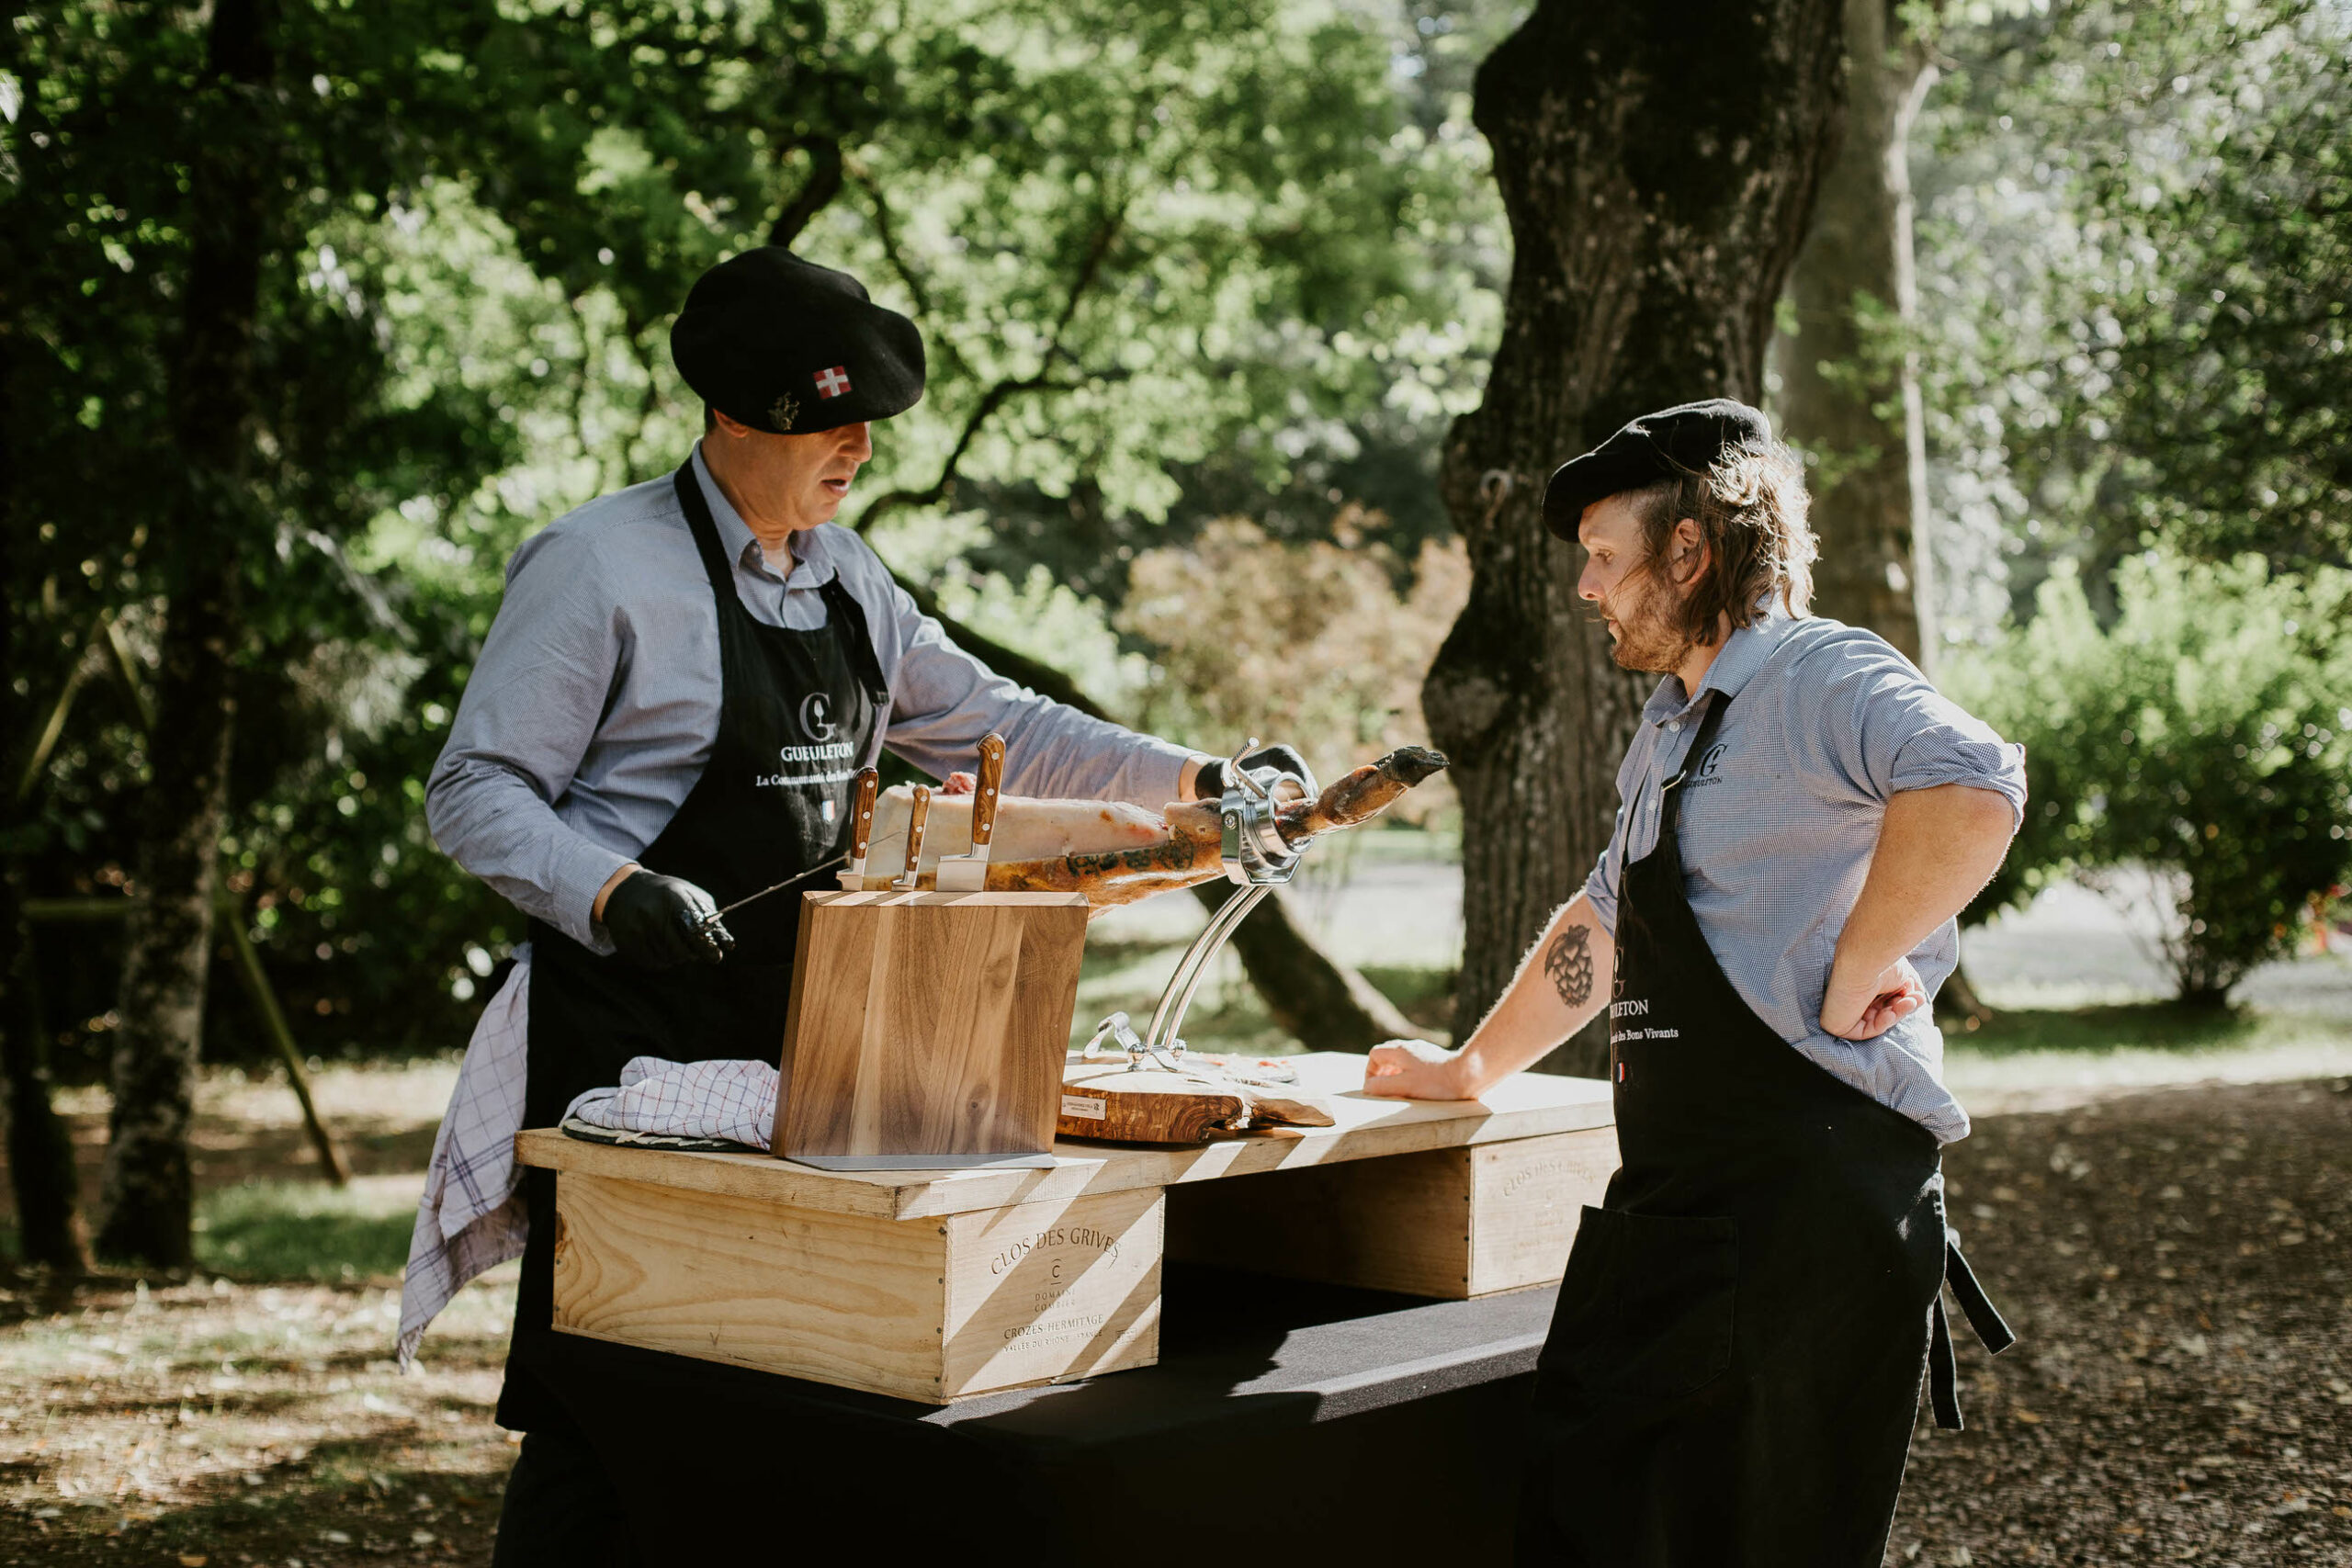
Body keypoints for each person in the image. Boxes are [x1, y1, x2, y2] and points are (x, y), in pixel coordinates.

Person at [423, 247, 1289, 1564]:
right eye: (826, 419)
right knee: (611, 1398)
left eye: (867, 418)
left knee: (787, 1385)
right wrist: (612, 886)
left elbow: (994, 723)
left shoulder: (847, 575)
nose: (858, 446)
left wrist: (1202, 777)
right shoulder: (598, 566)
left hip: (807, 1045)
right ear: (731, 416)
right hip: (628, 1059)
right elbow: (474, 790)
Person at [1363, 400, 2023, 1567]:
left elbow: (1971, 786)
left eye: (1605, 558)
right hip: (1682, 1216)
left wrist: (1859, 966)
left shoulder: (1821, 673)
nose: (1586, 588)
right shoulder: (1668, 729)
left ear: (1689, 550)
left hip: (1809, 1223)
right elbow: (1608, 921)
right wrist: (1468, 1069)